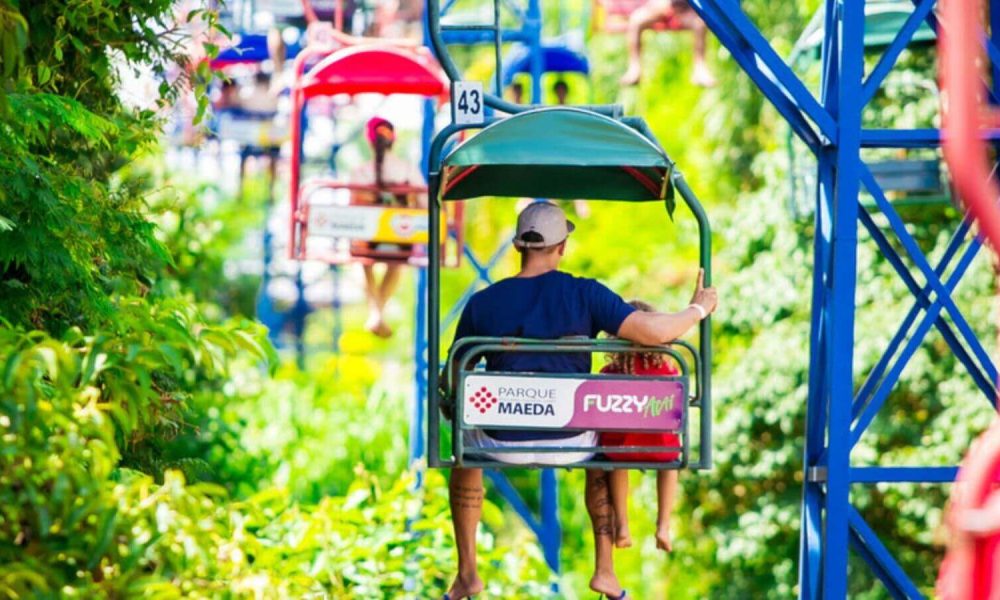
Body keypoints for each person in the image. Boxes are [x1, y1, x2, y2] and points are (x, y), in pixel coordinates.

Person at [444, 202, 718, 599]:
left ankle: (468, 571)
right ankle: (604, 570)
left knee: (464, 452)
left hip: (501, 441)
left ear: (520, 247)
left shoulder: (483, 303)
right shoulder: (584, 293)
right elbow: (652, 331)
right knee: (600, 450)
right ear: (562, 246)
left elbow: (454, 377)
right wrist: (698, 308)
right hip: (571, 440)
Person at [600, 300, 682, 553]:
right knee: (671, 465)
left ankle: (623, 526)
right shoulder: (669, 370)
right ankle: (664, 525)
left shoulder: (609, 372)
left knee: (616, 462)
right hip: (661, 450)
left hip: (622, 448)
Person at [349, 117, 426, 338]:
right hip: (400, 239)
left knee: (363, 262)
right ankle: (377, 312)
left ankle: (375, 311)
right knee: (397, 264)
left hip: (368, 238)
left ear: (370, 142)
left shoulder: (360, 172)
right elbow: (423, 203)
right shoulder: (407, 169)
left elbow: (352, 208)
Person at [620, 0, 716, 88]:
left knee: (699, 24)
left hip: (685, 10)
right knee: (636, 20)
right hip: (661, 6)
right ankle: (634, 68)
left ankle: (700, 68)